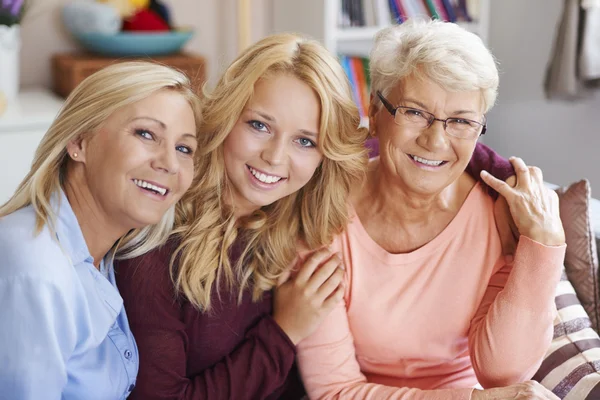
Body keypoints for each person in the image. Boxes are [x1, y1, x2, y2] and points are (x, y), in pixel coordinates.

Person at [115, 32, 525, 400]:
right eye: (259, 125)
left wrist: (515, 182)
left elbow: (408, 148)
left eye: (304, 140)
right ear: (225, 115)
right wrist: (283, 331)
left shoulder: (294, 211)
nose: (275, 157)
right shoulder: (156, 242)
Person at [295, 19, 565, 400]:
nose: (435, 140)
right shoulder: (322, 214)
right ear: (375, 112)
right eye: (414, 112)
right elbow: (334, 391)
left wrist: (545, 242)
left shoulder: (498, 214)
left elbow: (503, 372)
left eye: (460, 121)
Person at [0, 61, 201, 399]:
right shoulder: (37, 269)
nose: (169, 163)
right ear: (79, 141)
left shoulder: (103, 254)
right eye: (146, 134)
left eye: (184, 148)